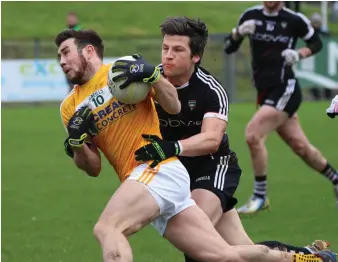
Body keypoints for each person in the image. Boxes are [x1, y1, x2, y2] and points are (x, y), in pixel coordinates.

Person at [56, 29, 336, 262]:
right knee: (225, 256)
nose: (62, 60)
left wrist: (153, 77)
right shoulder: (69, 107)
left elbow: (174, 105)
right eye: (59, 56)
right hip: (153, 179)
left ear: (89, 51)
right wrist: (78, 143)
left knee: (107, 228)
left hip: (158, 168)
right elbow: (92, 168)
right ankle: (307, 258)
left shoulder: (122, 70)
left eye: (66, 52)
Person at [132, 17, 336, 262]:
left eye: (178, 50)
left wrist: (172, 147)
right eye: (165, 48)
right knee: (244, 251)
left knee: (196, 239)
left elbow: (211, 140)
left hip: (213, 168)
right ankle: (310, 257)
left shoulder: (210, 90)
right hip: (176, 173)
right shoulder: (149, 83)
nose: (168, 56)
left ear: (196, 56)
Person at [224, 1, 338, 214]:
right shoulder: (250, 15)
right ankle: (336, 179)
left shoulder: (294, 20)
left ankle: (259, 196)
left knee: (252, 135)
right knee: (300, 147)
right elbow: (229, 47)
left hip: (286, 88)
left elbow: (316, 44)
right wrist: (237, 32)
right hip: (264, 92)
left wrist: (299, 54)